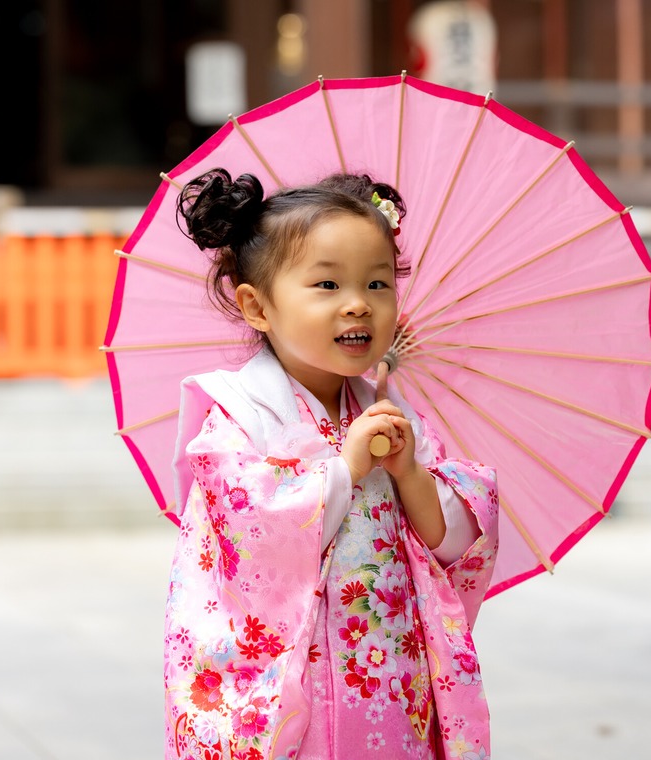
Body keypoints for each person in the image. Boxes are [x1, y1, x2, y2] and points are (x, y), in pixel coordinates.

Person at [163, 167, 500, 760]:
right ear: (256, 306)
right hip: (294, 684)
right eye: (326, 286)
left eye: (378, 285)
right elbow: (252, 536)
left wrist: (409, 474)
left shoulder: (388, 410)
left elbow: (452, 542)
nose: (358, 306)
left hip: (389, 667)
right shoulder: (239, 415)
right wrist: (344, 466)